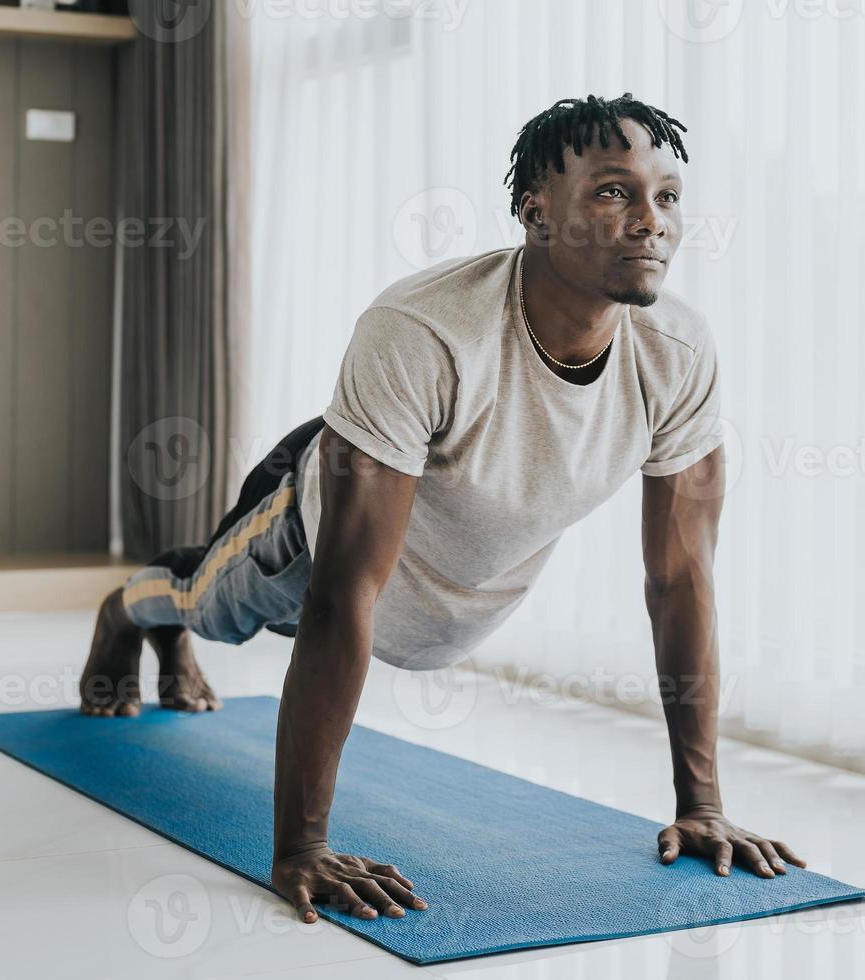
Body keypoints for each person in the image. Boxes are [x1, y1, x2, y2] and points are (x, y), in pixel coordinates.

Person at [78, 92, 807, 926]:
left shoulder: (678, 353)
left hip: (445, 580)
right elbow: (342, 591)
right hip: (311, 528)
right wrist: (302, 848)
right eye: (613, 192)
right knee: (209, 610)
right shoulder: (422, 329)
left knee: (318, 628)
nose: (651, 221)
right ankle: (130, 618)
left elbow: (680, 579)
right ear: (534, 212)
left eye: (667, 196)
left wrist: (702, 803)